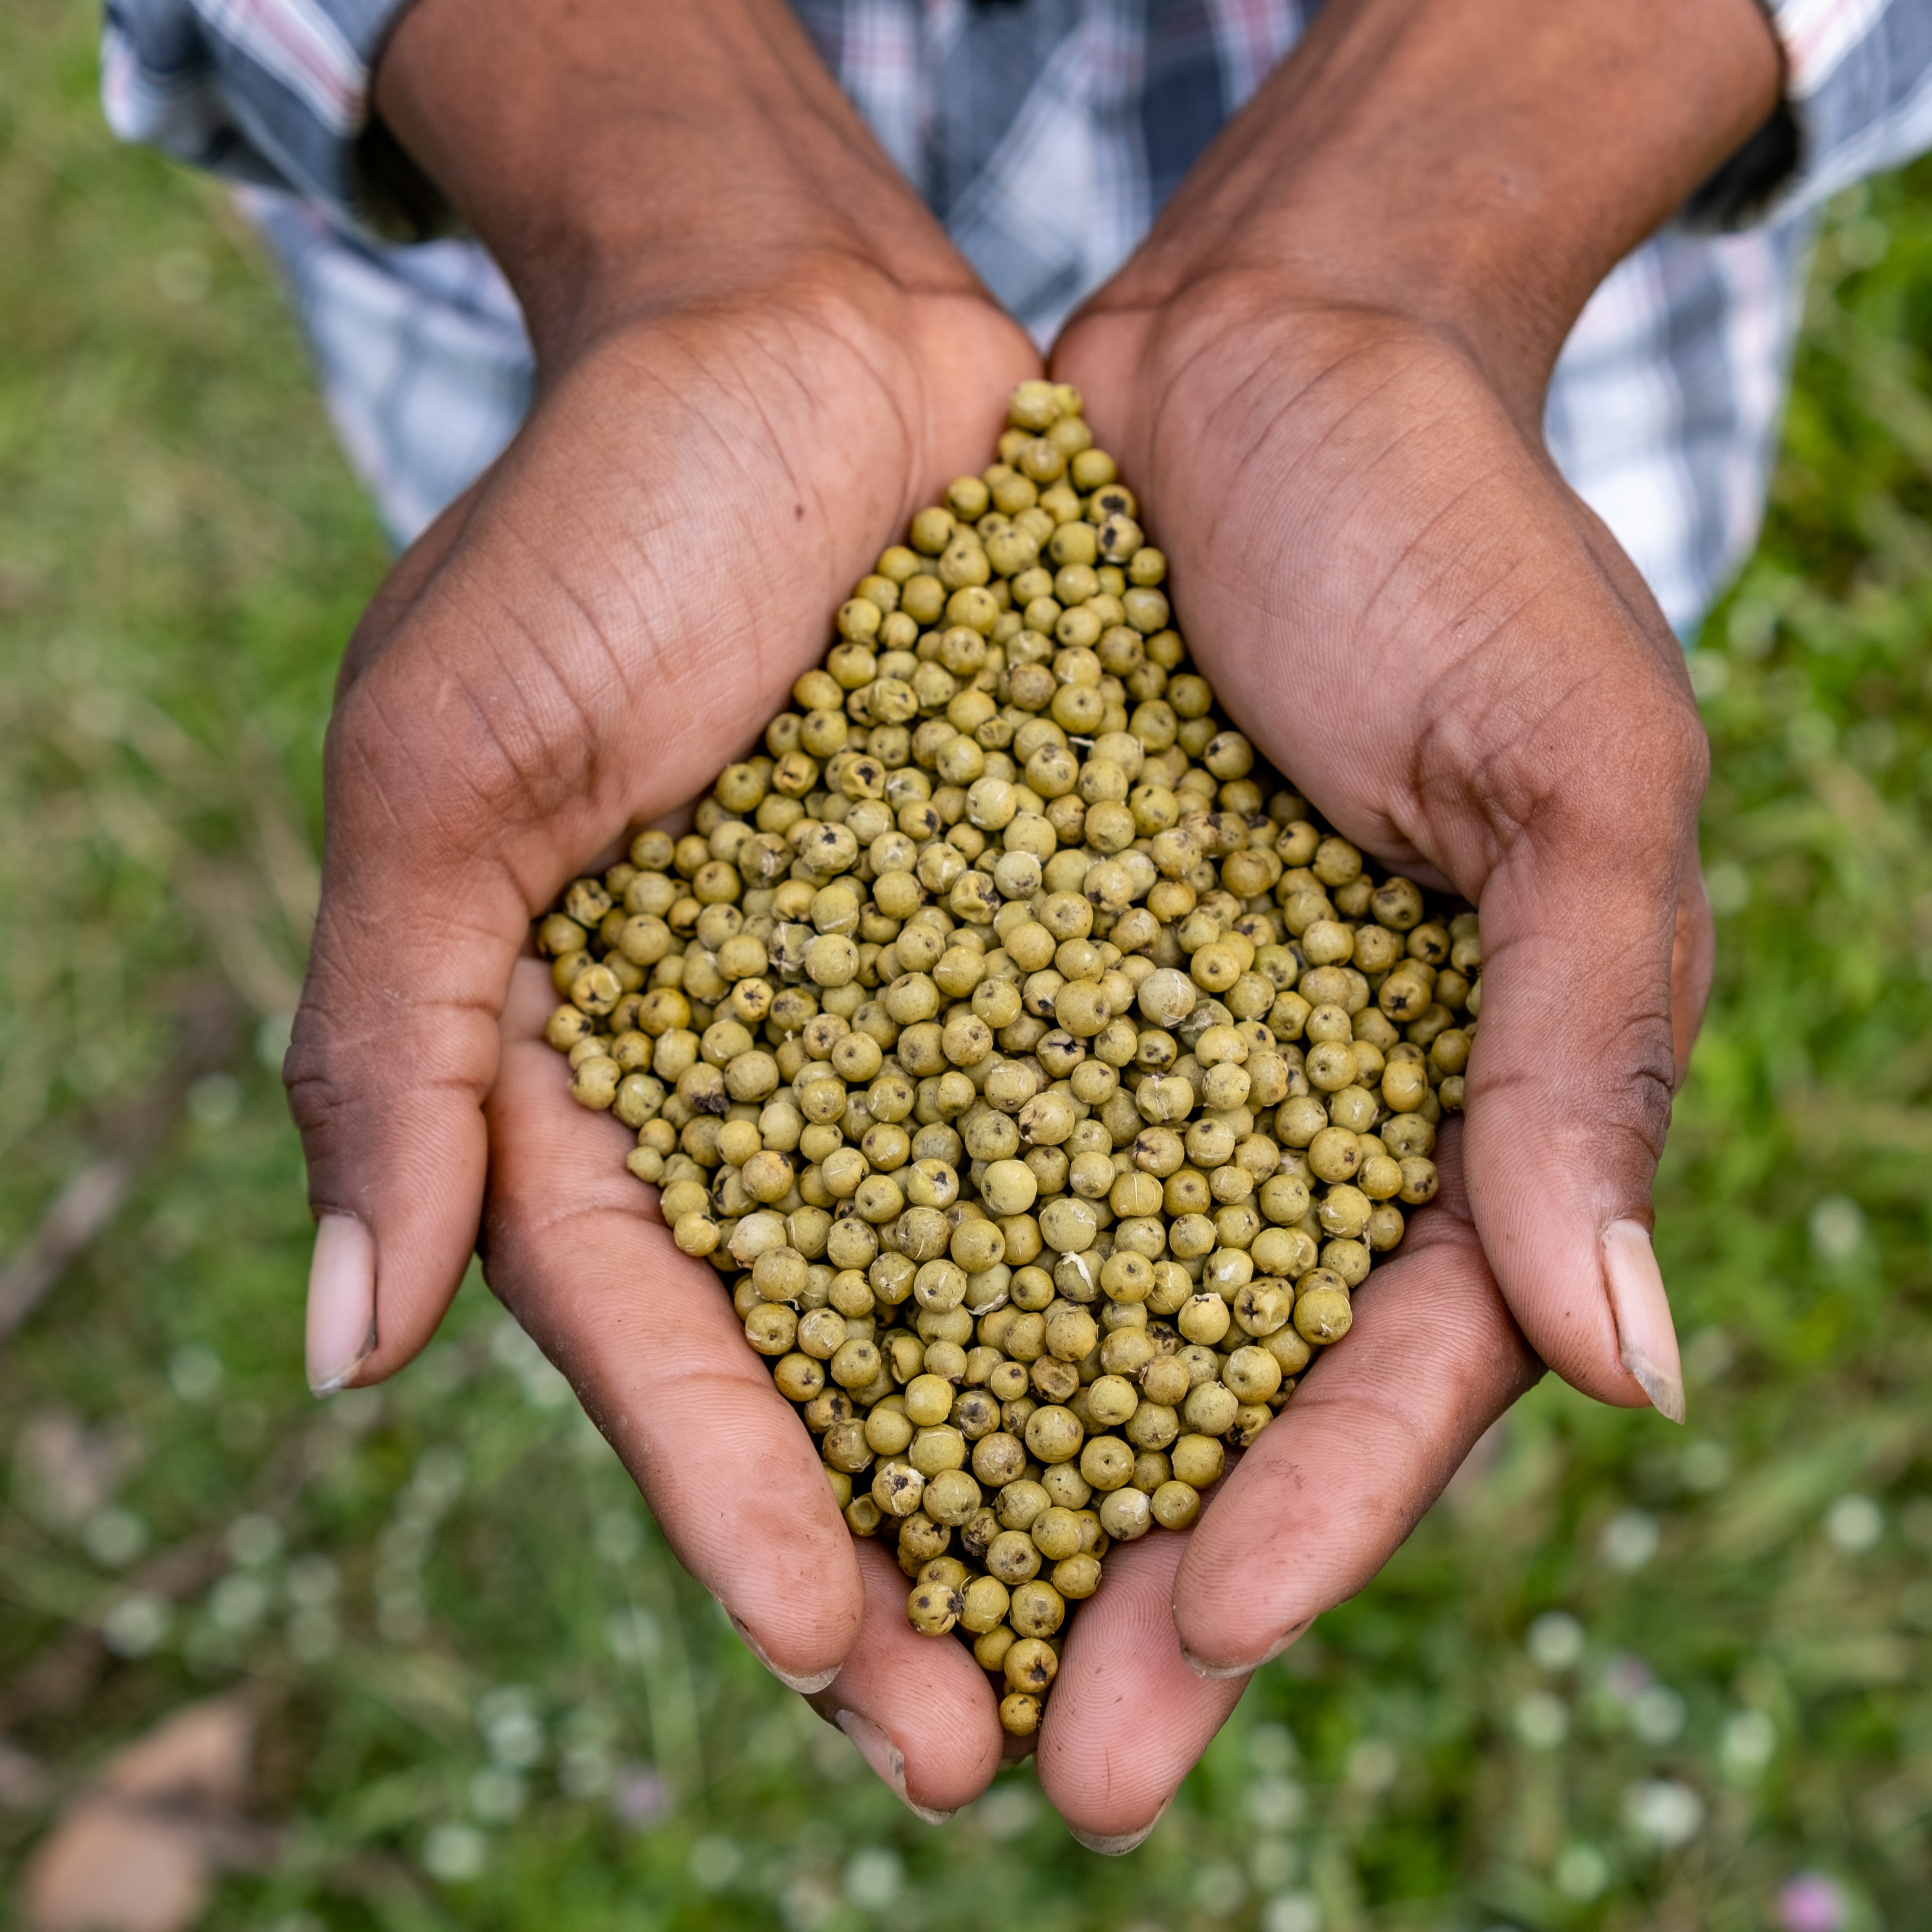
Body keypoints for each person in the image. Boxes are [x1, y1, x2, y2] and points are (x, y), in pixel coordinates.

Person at [102, 0, 1932, 1847]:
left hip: (1485, 398)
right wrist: (677, 231)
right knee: (563, 785)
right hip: (616, 428)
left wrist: (1390, 261)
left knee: (1518, 781)